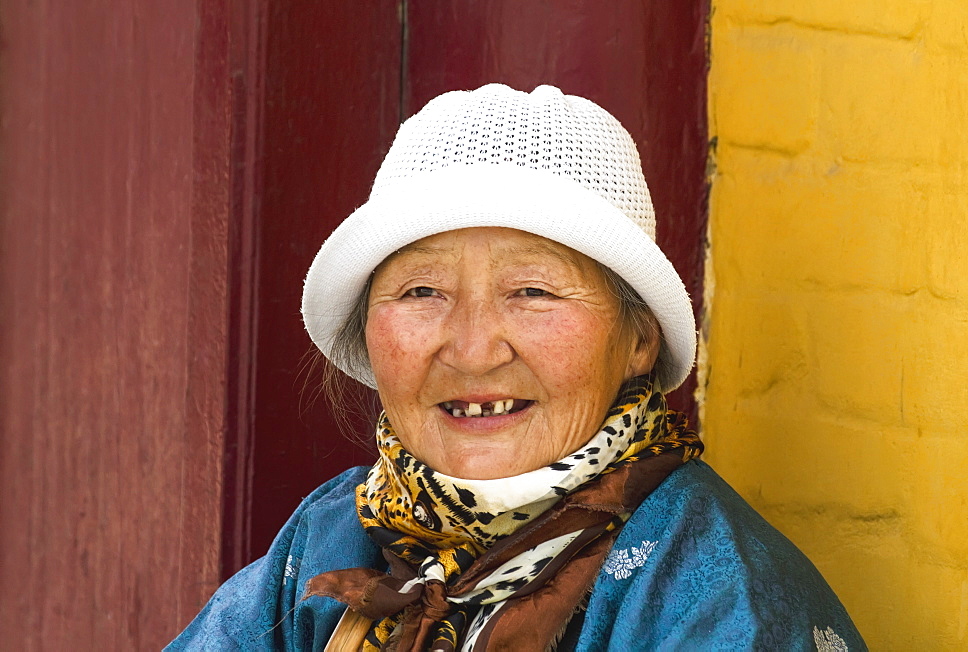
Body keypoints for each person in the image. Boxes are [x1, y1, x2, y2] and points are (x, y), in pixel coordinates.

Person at [168, 84, 865, 651]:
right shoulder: (327, 542)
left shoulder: (709, 592)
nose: (473, 351)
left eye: (532, 292)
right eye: (421, 292)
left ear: (638, 342)